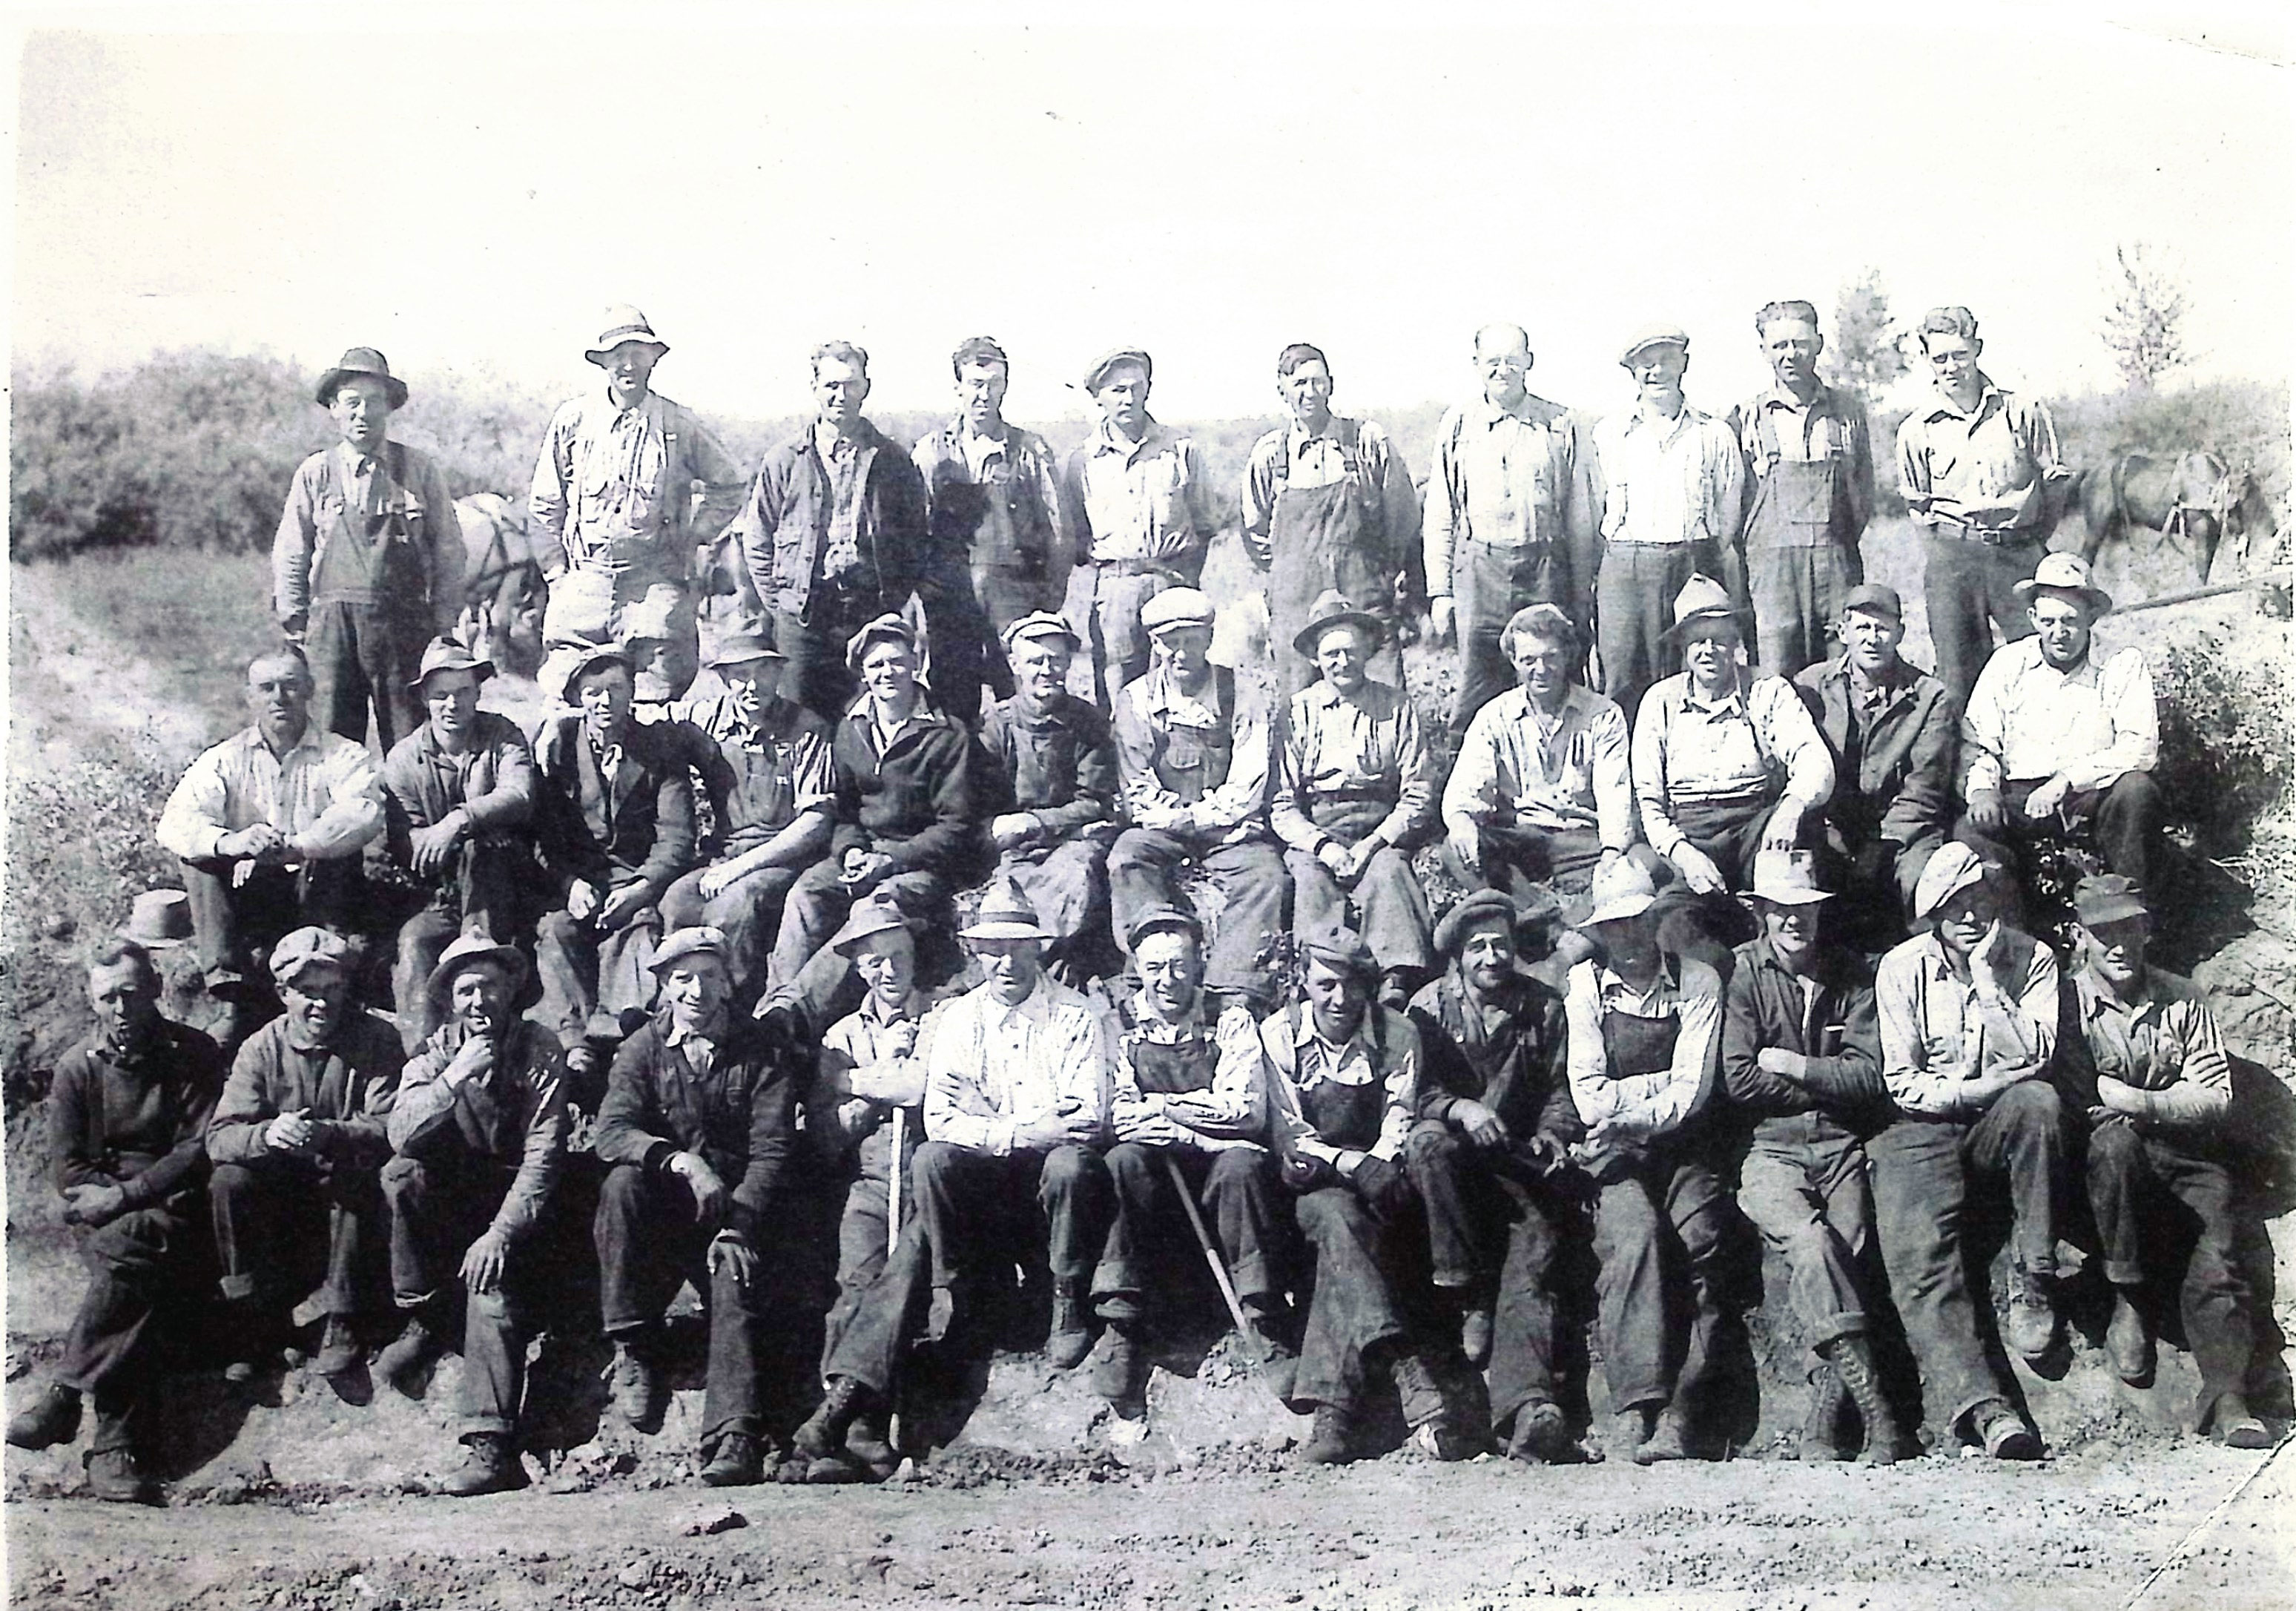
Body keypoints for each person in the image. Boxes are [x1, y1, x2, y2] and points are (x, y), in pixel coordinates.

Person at [5, 940, 225, 1503]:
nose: (122, 1009)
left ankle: (68, 1395)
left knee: (131, 1263)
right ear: (91, 1000)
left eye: (131, 993)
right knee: (133, 1261)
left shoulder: (193, 1053)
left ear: (154, 989)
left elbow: (197, 1149)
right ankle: (114, 1452)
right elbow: (70, 1168)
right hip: (104, 1214)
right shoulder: (79, 1068)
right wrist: (112, 1201)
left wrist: (131, 1195)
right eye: (108, 998)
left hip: (178, 1205)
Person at [1868, 843, 2067, 1459]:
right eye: (1952, 907)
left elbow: (2035, 1057)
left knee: (2039, 1102)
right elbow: (1904, 1081)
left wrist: (1986, 982)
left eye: (1977, 899)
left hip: (2001, 1119)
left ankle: (2035, 1273)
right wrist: (1977, 1087)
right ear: (1931, 915)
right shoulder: (1901, 968)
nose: (1969, 916)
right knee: (1916, 1250)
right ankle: (1985, 1410)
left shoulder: (2032, 959)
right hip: (1925, 1123)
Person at [2056, 876, 2269, 1447]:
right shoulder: (2065, 1003)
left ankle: (2228, 1398)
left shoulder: (2183, 996)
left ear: (2147, 931)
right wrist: (2156, 1102)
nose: (2118, 946)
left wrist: (2144, 1102)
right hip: (2103, 1163)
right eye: (2103, 933)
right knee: (2114, 1147)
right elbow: (2080, 1100)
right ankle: (2129, 1297)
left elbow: (2215, 1095)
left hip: (2183, 1153)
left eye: (2128, 929)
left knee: (2219, 1250)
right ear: (2081, 939)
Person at [591, 928, 798, 1486]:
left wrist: (740, 1222)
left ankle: (735, 1436)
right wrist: (680, 1161)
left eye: (710, 976)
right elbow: (611, 1132)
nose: (697, 991)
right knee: (620, 1186)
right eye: (683, 979)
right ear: (663, 986)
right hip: (665, 1218)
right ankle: (634, 1343)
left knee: (735, 1275)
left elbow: (773, 1149)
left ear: (729, 983)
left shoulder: (762, 1050)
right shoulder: (642, 1049)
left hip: (739, 1214)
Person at [1718, 851, 1900, 1464]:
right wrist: (1829, 1078)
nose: (1794, 922)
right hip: (1772, 1146)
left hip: (1841, 1142)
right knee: (1813, 1244)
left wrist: (1796, 1064)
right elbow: (1740, 1078)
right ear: (1762, 915)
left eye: (1805, 910)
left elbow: (1870, 1077)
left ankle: (1826, 1421)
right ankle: (1876, 1411)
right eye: (1781, 911)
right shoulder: (1744, 974)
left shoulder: (1850, 974)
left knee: (1852, 1251)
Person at [1262, 923, 1463, 1465]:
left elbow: (1400, 1109)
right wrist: (1349, 1163)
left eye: (1352, 985)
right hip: (1311, 1185)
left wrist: (1382, 1157)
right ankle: (1405, 1364)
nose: (1340, 998)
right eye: (1326, 984)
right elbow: (1291, 1132)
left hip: (1379, 1183)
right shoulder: (1278, 1036)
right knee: (1335, 1217)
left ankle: (1334, 1420)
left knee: (1346, 1243)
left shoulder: (1397, 1034)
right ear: (1304, 981)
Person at [375, 938, 569, 1496]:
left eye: (489, 986)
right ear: (451, 1000)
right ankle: (426, 1314)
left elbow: (545, 1154)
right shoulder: (436, 1052)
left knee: (492, 1295)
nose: (480, 1000)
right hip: (453, 1206)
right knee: (401, 1175)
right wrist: (454, 1077)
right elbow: (399, 1133)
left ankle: (491, 1447)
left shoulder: (539, 1048)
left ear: (511, 990)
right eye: (466, 990)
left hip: (522, 1212)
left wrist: (500, 1234)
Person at [1563, 857, 1741, 1464]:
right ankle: (1637, 1403)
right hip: (1615, 1156)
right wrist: (1649, 1097)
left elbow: (1695, 1092)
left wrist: (1629, 1102)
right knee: (1632, 1236)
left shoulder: (1698, 982)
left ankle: (1685, 1410)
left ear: (1657, 921)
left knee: (1702, 1243)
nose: (1630, 938)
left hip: (1689, 1150)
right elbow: (1588, 1095)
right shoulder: (1584, 988)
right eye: (1615, 927)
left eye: (1639, 922)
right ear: (1600, 934)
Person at [1404, 891, 1584, 1463]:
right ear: (1457, 955)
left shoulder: (1544, 1007)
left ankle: (1529, 1410)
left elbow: (1563, 1088)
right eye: (1478, 947)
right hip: (1450, 1174)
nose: (1491, 957)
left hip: (1516, 1169)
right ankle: (1463, 1288)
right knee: (1428, 1144)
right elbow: (1414, 1089)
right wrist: (1461, 1109)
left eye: (1501, 945)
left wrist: (1553, 1135)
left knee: (1530, 1263)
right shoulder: (1427, 1009)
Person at [1094, 906, 1287, 1421]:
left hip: (1220, 1180)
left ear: (1200, 964)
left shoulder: (1230, 1017)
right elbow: (1121, 1115)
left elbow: (1246, 1111)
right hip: (1157, 1179)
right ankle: (1123, 1323)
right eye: (1155, 968)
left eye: (1179, 965)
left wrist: (1166, 1106)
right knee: (1122, 1160)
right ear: (1138, 968)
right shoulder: (1118, 1023)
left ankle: (1262, 1315)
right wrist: (1197, 1133)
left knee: (1243, 1163)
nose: (1168, 980)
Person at [911, 886, 1115, 1369]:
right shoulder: (958, 1020)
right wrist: (1021, 1130)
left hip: (1052, 1181)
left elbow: (1086, 1118)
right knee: (931, 1160)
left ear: (1038, 949)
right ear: (976, 953)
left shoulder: (1076, 1016)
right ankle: (963, 1300)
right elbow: (939, 1119)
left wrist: (988, 1116)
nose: (1007, 964)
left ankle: (1067, 1301)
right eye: (994, 952)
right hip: (988, 1180)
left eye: (1019, 950)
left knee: (1069, 1163)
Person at [205, 927, 403, 1386]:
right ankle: (254, 1321)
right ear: (282, 994)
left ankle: (344, 1317)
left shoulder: (377, 1040)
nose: (322, 1004)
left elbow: (392, 1126)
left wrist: (329, 1134)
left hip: (351, 1204)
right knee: (229, 1182)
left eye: (332, 989)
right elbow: (220, 1138)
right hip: (284, 1204)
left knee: (361, 1170)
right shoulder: (261, 1047)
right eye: (307, 992)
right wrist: (269, 1135)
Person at [155, 649, 385, 1042]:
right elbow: (176, 822)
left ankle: (328, 970)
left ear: (310, 689)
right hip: (252, 897)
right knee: (198, 857)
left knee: (333, 848)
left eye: (291, 686)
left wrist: (296, 846)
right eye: (267, 688)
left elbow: (363, 812)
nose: (279, 697)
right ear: (250, 697)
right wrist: (232, 843)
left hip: (316, 890)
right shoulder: (225, 759)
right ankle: (230, 991)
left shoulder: (341, 754)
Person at [765, 614, 992, 999]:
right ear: (863, 674)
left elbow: (956, 826)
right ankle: (775, 1000)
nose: (888, 673)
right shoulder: (850, 729)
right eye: (876, 665)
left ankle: (793, 1012)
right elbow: (845, 811)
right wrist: (852, 850)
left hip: (922, 866)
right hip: (863, 856)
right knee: (807, 893)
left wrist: (891, 860)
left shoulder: (948, 734)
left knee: (874, 912)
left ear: (916, 665)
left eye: (897, 662)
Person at [529, 306, 746, 694]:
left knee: (656, 701)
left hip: (655, 583)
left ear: (652, 360)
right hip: (584, 580)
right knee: (566, 700)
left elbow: (729, 485)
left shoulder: (678, 424)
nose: (628, 365)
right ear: (603, 362)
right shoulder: (573, 420)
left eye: (638, 355)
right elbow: (545, 504)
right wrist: (557, 576)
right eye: (617, 356)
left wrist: (694, 536)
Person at [794, 895, 931, 1481]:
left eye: (897, 956)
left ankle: (840, 1419)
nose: (889, 971)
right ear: (858, 968)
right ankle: (856, 1428)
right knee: (856, 1286)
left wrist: (861, 1085)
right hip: (869, 1182)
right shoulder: (839, 1038)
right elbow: (825, 1135)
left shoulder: (946, 1016)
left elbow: (922, 1088)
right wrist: (878, 1088)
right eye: (875, 962)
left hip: (929, 1181)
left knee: (909, 1265)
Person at [1106, 588, 1290, 1011]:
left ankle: (1233, 989)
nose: (1182, 652)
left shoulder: (1240, 691)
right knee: (1127, 858)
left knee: (1266, 877)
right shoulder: (1136, 700)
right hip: (1163, 829)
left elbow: (1249, 780)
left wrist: (1201, 817)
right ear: (1155, 645)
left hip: (1230, 830)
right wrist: (1176, 820)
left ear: (1209, 639)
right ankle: (1150, 970)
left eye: (1192, 640)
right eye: (1170, 642)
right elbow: (1137, 787)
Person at [1632, 576, 1833, 961]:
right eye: (1697, 640)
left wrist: (1790, 808)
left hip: (1756, 826)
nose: (1709, 650)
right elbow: (1650, 803)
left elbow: (1814, 759)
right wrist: (1684, 854)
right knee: (1672, 925)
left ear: (1736, 642)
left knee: (1792, 888)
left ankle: (1780, 971)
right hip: (1690, 835)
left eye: (1719, 638)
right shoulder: (1660, 701)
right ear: (1682, 647)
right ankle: (1732, 975)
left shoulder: (1767, 689)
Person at [274, 347, 466, 752]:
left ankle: (413, 818)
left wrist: (444, 626)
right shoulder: (316, 473)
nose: (364, 413)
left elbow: (449, 550)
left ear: (389, 409)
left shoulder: (419, 470)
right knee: (332, 743)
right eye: (353, 403)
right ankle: (339, 817)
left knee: (412, 742)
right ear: (334, 409)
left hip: (405, 629)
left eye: (374, 402)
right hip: (331, 633)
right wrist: (296, 625)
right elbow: (292, 552)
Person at [730, 340, 930, 722]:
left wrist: (891, 601)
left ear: (866, 387)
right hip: (803, 614)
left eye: (851, 385)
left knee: (866, 717)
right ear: (815, 390)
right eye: (832, 386)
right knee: (799, 717)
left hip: (868, 610)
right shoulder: (786, 458)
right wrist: (779, 602)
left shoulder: (892, 460)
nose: (841, 395)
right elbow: (757, 537)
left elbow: (915, 538)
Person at [1423, 323, 1600, 743]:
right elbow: (1441, 511)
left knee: (1553, 678)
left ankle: (1563, 788)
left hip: (1544, 569)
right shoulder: (1458, 423)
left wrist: (1579, 593)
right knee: (1476, 688)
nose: (1503, 370)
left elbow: (1579, 516)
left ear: (1529, 363)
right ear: (1477, 365)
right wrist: (1440, 591)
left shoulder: (1559, 423)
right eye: (1493, 362)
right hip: (1480, 573)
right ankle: (1462, 799)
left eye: (1512, 361)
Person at [1957, 552, 2163, 897]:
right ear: (2032, 617)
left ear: (2091, 618)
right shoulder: (2008, 663)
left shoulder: (2121, 663)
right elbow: (1980, 741)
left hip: (2093, 793)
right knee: (1970, 830)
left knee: (2138, 792)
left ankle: (2127, 923)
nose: (2060, 633)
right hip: (2021, 796)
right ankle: (2014, 938)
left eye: (2070, 620)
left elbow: (2139, 748)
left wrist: (2067, 781)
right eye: (2049, 621)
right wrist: (1982, 789)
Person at [1895, 306, 2072, 707]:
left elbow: (2054, 483)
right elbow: (1918, 506)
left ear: (1977, 349)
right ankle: (1970, 769)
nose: (1951, 367)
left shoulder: (2022, 411)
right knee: (1959, 676)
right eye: (1939, 358)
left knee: (2040, 665)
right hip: (1953, 561)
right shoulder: (1915, 429)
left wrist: (2031, 538)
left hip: (2018, 555)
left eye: (1959, 355)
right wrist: (1949, 551)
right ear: (1927, 361)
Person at [1271, 592, 1439, 1006]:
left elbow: (1418, 789)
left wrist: (1374, 843)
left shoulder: (1395, 706)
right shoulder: (1298, 712)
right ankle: (1321, 979)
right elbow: (1281, 802)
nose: (1341, 663)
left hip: (1378, 822)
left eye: (1349, 652)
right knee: (1309, 879)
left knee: (1389, 873)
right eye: (1330, 654)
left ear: (1367, 651)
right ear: (1315, 659)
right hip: (1319, 825)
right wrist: (1324, 847)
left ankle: (1395, 980)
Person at [531, 645, 697, 1058]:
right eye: (593, 692)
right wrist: (569, 883)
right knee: (556, 931)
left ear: (632, 692)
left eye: (615, 689)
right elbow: (544, 835)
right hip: (579, 881)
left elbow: (676, 836)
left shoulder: (659, 750)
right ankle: (574, 1041)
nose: (605, 702)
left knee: (639, 929)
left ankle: (621, 1034)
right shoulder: (559, 747)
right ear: (577, 699)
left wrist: (642, 886)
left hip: (635, 878)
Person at [656, 630, 836, 1009]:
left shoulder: (807, 728)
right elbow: (646, 718)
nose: (752, 686)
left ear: (779, 673)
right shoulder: (703, 718)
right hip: (725, 854)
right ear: (723, 679)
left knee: (735, 904)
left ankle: (729, 1008)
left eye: (762, 673)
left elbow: (815, 822)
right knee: (677, 901)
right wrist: (563, 723)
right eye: (740, 675)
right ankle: (672, 1009)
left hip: (783, 857)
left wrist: (739, 868)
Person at [378, 637, 540, 1052]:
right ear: (424, 700)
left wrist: (459, 821)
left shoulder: (502, 734)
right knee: (414, 944)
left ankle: (497, 1042)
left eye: (463, 692)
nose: (453, 705)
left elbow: (520, 794)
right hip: (440, 897)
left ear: (478, 692)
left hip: (508, 887)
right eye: (441, 696)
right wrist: (447, 838)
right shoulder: (403, 760)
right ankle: (420, 1059)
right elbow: (409, 845)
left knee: (479, 849)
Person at [1241, 343, 1423, 700]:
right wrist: (1292, 572)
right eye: (1299, 384)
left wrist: (1376, 570)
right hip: (1295, 606)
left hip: (1364, 598)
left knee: (1386, 696)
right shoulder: (1271, 455)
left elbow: (1403, 518)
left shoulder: (1367, 441)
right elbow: (1255, 533)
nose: (1310, 393)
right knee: (1297, 706)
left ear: (1331, 385)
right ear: (1283, 390)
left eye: (1318, 382)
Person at [1591, 325, 1749, 727]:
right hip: (1625, 566)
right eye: (1644, 364)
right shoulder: (1609, 434)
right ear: (1631, 372)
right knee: (1623, 675)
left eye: (1665, 361)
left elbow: (1728, 511)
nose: (1655, 371)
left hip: (1692, 561)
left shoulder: (1713, 434)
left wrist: (1698, 557)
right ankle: (1624, 780)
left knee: (1690, 669)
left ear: (1684, 365)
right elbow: (1592, 511)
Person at [911, 337, 1072, 724]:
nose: (983, 395)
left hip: (1016, 603)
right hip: (952, 605)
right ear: (958, 388)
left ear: (1004, 388)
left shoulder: (1030, 451)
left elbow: (1059, 531)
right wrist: (927, 593)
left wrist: (1047, 600)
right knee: (952, 706)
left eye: (992, 384)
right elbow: (912, 534)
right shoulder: (930, 452)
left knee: (1024, 705)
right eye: (974, 384)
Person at [1791, 584, 1959, 953]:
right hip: (1830, 825)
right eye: (1863, 628)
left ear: (1900, 633)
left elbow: (1924, 789)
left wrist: (1881, 845)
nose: (1873, 639)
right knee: (1794, 880)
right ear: (1843, 632)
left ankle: (1931, 975)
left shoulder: (1930, 696)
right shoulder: (1809, 687)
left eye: (1883, 629)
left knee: (1925, 882)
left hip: (1903, 832)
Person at [1442, 603, 1635, 904]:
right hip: (1520, 837)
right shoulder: (1494, 716)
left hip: (1581, 839)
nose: (1541, 670)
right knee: (1456, 847)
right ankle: (1540, 918)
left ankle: (1572, 917)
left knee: (1643, 863)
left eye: (1550, 657)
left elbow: (1615, 791)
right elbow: (1467, 783)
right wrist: (1462, 819)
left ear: (1568, 656)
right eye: (1529, 660)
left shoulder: (1603, 714)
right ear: (1514, 662)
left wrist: (1612, 851)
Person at [1058, 348, 1216, 710]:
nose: (1128, 398)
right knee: (1117, 687)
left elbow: (1206, 521)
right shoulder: (1081, 461)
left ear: (1148, 389)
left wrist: (1183, 576)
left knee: (1179, 682)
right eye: (1117, 391)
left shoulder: (1179, 449)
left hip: (1172, 578)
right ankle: (1123, 765)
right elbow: (1076, 536)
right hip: (1116, 588)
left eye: (1136, 388)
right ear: (1099, 397)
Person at [1726, 301, 1876, 677]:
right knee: (1775, 679)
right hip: (1772, 578)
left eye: (1799, 343)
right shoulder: (1744, 418)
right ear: (1764, 351)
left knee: (1843, 672)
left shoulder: (1847, 412)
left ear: (1819, 344)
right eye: (1778, 346)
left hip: (1836, 568)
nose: (1789, 354)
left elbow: (1862, 496)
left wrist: (1834, 545)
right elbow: (1734, 510)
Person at [977, 613, 1123, 979]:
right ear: (1014, 665)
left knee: (1077, 873)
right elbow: (983, 805)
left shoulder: (1087, 722)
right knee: (1011, 896)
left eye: (1057, 660)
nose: (1048, 670)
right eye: (1036, 661)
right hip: (1015, 849)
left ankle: (1035, 971)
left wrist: (1037, 822)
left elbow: (1095, 802)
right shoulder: (997, 725)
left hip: (1072, 841)